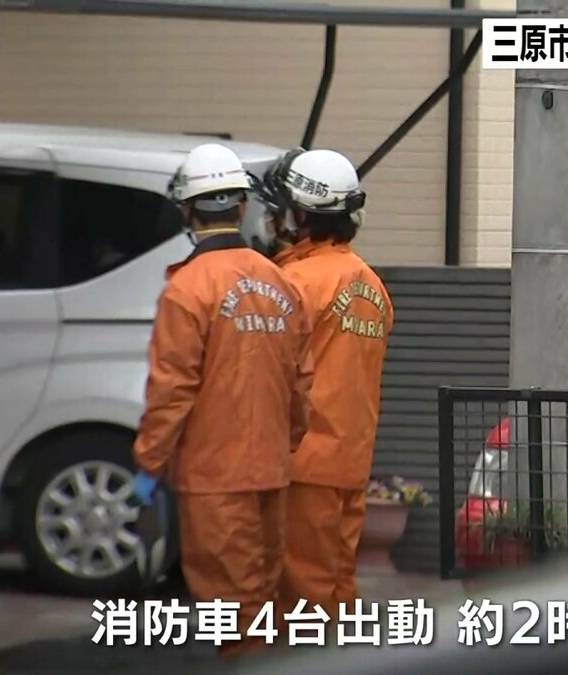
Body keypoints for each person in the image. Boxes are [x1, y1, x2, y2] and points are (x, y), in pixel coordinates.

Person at [130, 143, 315, 658]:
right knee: (263, 598)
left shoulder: (187, 290)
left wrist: (149, 464)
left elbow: (172, 390)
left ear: (187, 211)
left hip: (214, 478)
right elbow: (301, 383)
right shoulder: (280, 281)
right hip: (270, 472)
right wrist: (285, 442)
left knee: (231, 609)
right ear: (241, 206)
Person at [254, 148, 393, 629]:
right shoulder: (372, 285)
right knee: (337, 586)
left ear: (300, 215)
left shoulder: (291, 283)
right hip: (349, 463)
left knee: (300, 597)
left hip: (301, 462)